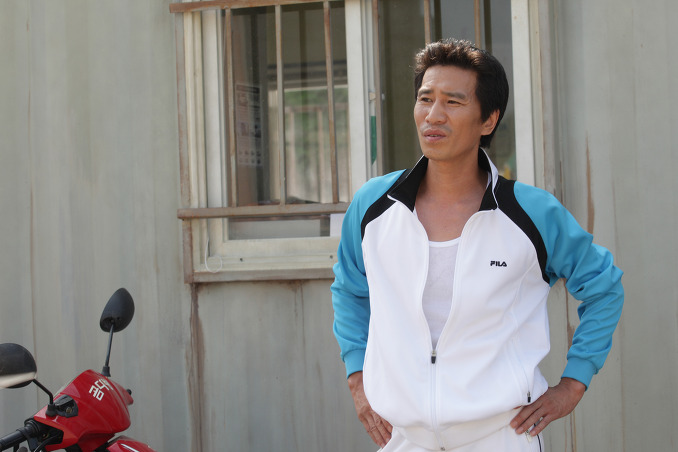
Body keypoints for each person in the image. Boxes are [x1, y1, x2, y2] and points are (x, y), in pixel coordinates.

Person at [331, 39, 623, 451]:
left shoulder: (531, 213)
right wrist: (357, 378)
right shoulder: (374, 206)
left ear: (488, 120)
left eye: (453, 102)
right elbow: (349, 290)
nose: (433, 115)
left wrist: (574, 383)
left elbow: (604, 287)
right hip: (403, 440)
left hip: (501, 437)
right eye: (425, 99)